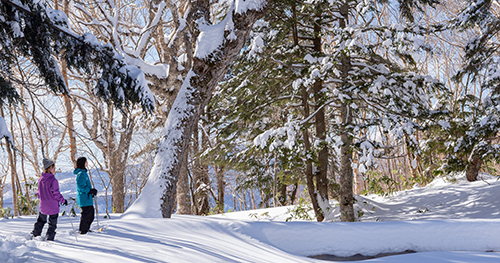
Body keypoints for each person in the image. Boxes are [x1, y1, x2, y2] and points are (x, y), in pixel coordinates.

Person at [32, 158, 67, 241]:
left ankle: (36, 234)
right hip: (53, 206)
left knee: (40, 221)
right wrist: (63, 200)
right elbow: (56, 193)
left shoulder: (40, 180)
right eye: (53, 167)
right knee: (52, 224)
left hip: (43, 205)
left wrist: (43, 199)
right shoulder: (53, 180)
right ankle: (49, 238)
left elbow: (38, 193)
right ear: (48, 168)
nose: (54, 169)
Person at [74, 157, 97, 234]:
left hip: (87, 198)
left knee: (90, 215)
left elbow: (85, 185)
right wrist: (89, 191)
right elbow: (81, 187)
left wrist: (91, 192)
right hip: (84, 198)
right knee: (87, 215)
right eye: (86, 161)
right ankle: (83, 230)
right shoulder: (81, 174)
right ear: (82, 163)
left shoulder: (84, 173)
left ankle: (86, 229)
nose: (87, 162)